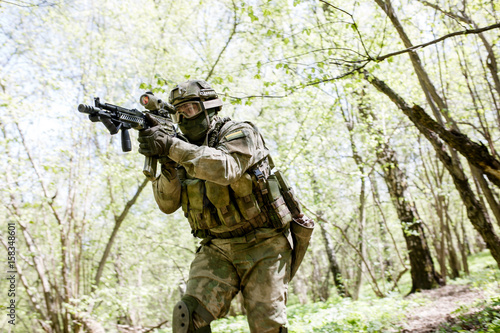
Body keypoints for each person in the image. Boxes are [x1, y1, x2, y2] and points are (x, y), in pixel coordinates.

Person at [137, 79, 313, 333]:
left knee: (267, 326)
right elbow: (167, 204)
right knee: (188, 317)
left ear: (209, 108)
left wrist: (173, 147)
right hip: (216, 247)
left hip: (263, 243)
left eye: (192, 109)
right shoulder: (179, 148)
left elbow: (227, 168)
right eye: (179, 112)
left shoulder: (240, 132)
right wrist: (166, 161)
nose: (185, 116)